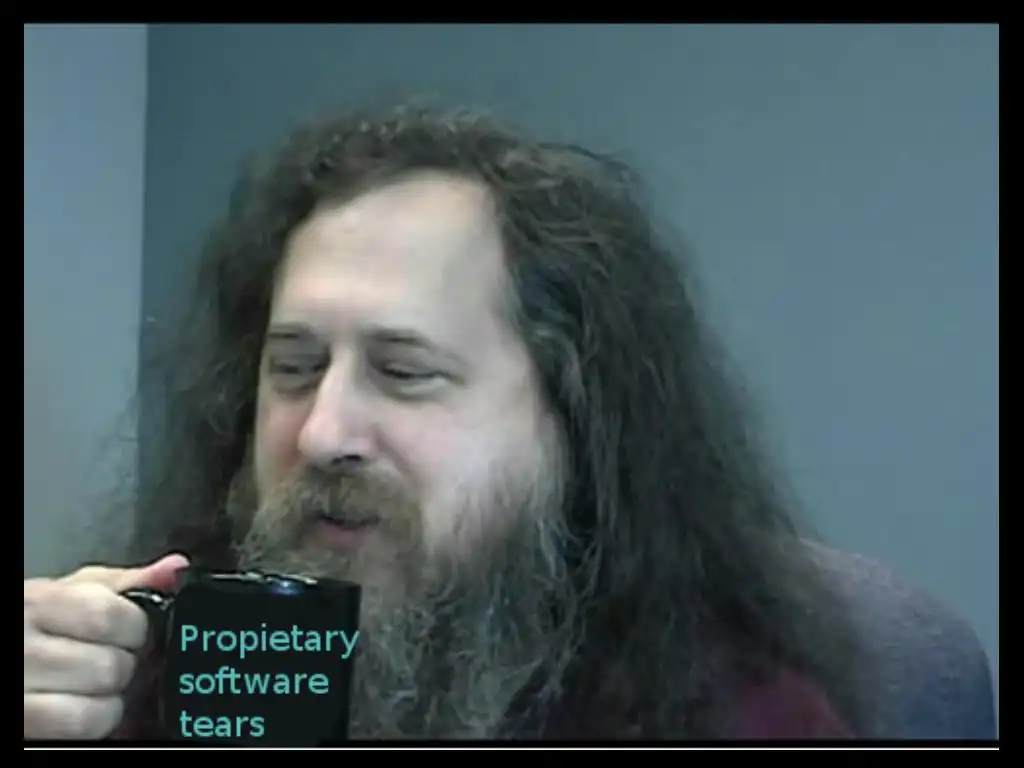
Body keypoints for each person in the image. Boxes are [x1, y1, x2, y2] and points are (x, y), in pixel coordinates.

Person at [24, 104, 869, 741]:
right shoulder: (152, 672)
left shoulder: (741, 718)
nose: (321, 433)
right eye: (295, 368)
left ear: (574, 424)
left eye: (403, 373)